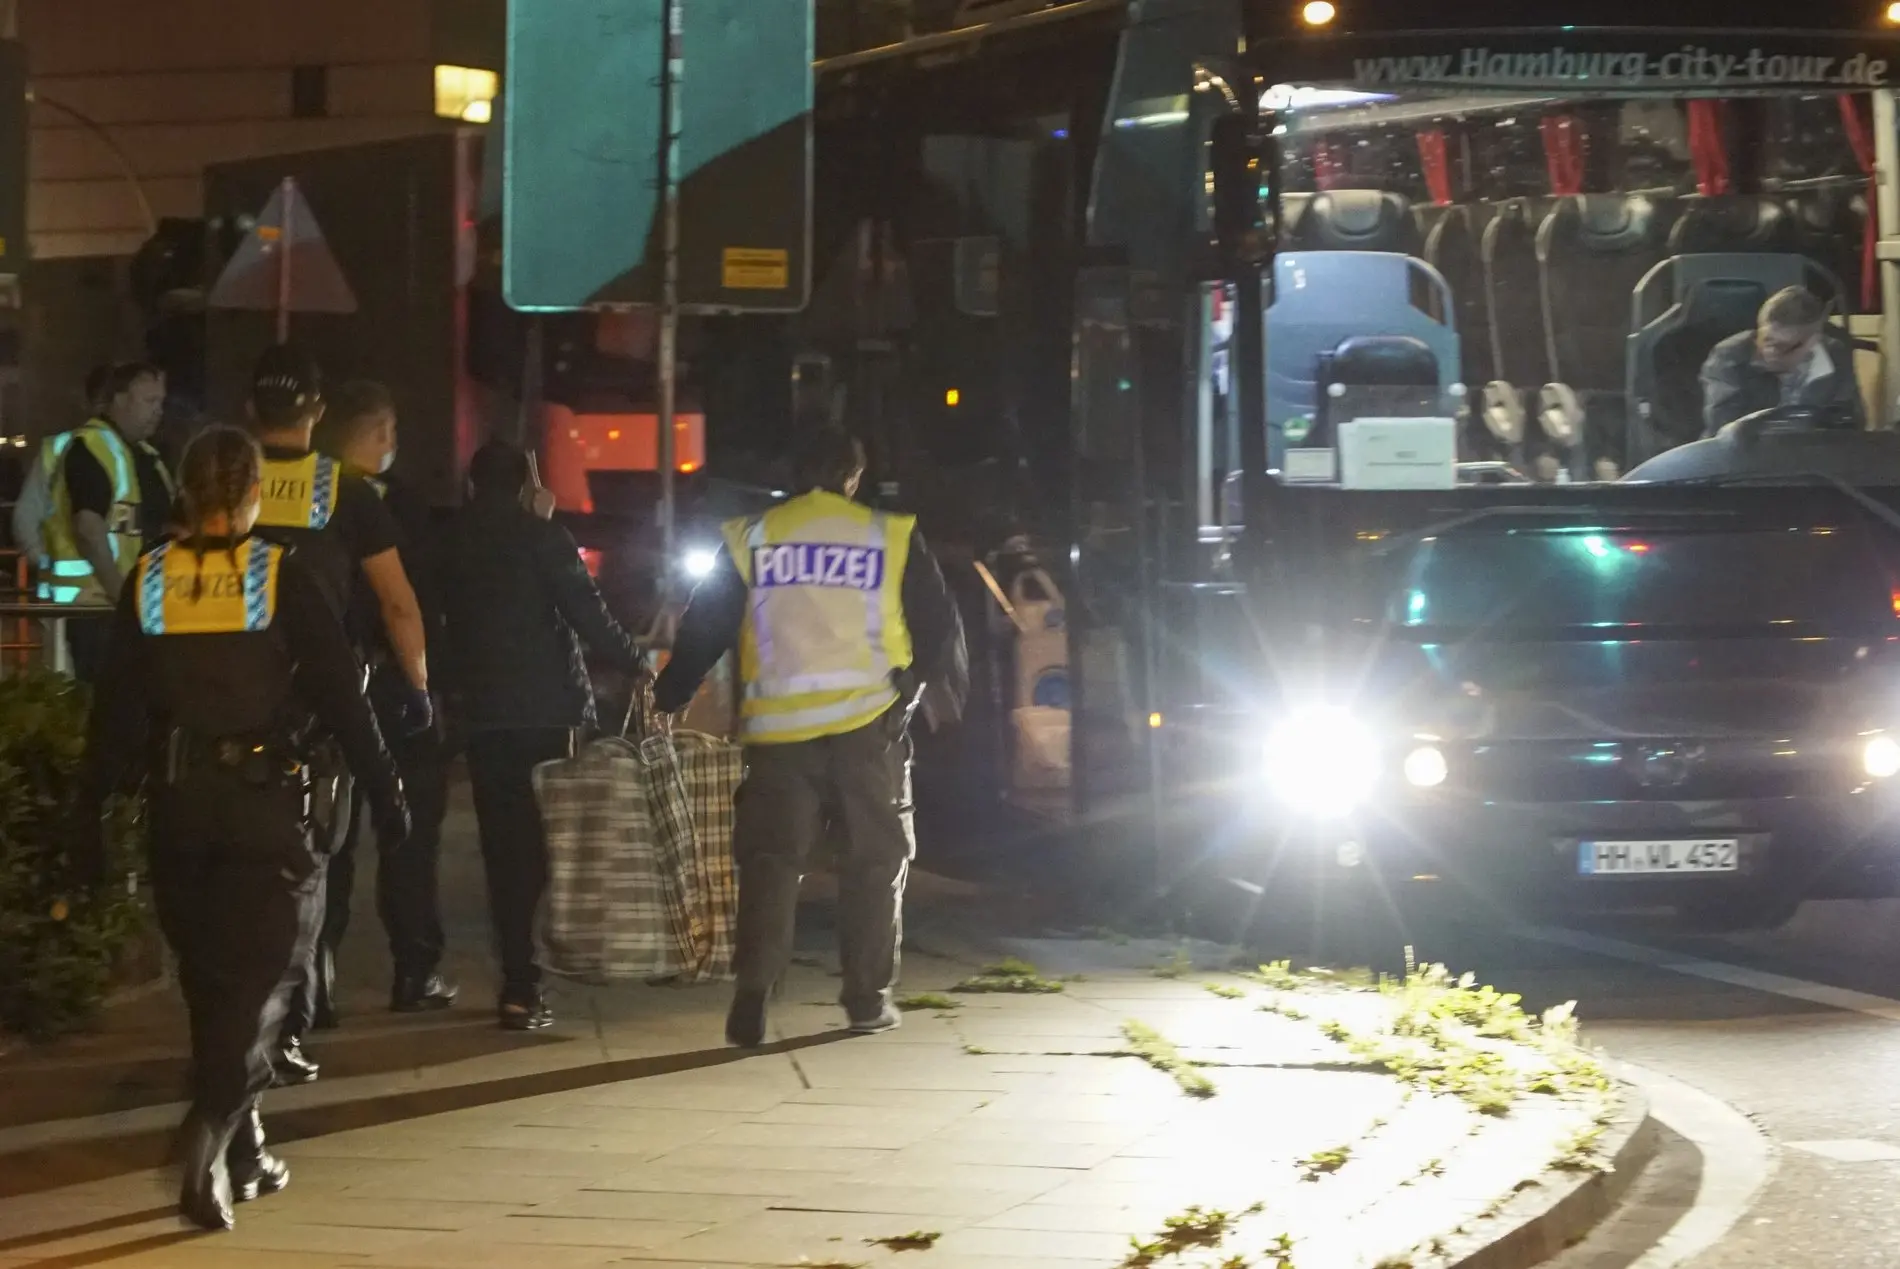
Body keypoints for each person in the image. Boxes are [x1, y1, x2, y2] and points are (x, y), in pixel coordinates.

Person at [75, 425, 408, 1231]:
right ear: (254, 493)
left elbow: (115, 709)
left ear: (186, 495)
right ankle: (210, 1128)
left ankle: (244, 1143)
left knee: (208, 979)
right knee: (266, 983)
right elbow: (341, 696)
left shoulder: (149, 579)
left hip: (179, 811)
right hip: (263, 811)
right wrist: (387, 791)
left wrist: (86, 815)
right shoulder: (278, 576)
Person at [652, 428, 967, 1048]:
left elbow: (706, 622)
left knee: (771, 863)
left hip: (780, 733)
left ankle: (753, 995)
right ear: (854, 476)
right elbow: (939, 626)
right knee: (874, 862)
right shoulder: (890, 534)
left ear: (792, 474)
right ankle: (867, 1000)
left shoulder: (752, 536)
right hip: (867, 729)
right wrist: (920, 693)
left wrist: (672, 693)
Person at [244, 346, 431, 1078]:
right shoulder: (343, 491)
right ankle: (296, 1010)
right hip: (317, 706)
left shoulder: (224, 476)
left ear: (250, 412)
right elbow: (397, 601)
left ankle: (240, 1023)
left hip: (219, 698)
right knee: (315, 863)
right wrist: (416, 687)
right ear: (317, 414)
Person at [439, 441, 641, 1031]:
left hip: (483, 712)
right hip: (546, 714)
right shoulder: (543, 538)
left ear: (473, 485)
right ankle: (532, 976)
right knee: (541, 844)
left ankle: (517, 980)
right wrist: (634, 661)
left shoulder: (453, 539)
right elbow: (586, 610)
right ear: (527, 485)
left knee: (501, 843)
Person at [307, 380, 457, 1015]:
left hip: (332, 686)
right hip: (393, 687)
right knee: (406, 839)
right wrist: (426, 686)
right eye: (380, 431)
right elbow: (410, 600)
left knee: (331, 840)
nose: (391, 444)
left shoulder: (310, 501)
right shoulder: (382, 504)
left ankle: (319, 986)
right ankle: (411, 974)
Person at [41, 361, 175, 681]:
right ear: (119, 399)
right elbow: (89, 530)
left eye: (161, 402)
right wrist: (123, 598)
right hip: (97, 608)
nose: (158, 411)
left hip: (131, 608)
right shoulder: (92, 447)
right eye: (149, 401)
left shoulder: (147, 457)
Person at [1701, 286, 1867, 438]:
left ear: (1812, 342)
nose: (1770, 352)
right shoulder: (1730, 356)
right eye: (1766, 340)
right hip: (1742, 460)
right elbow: (1723, 428)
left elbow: (1851, 425)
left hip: (1813, 457)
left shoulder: (1835, 356)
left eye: (1782, 346)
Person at [15, 364, 110, 577]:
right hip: (75, 599)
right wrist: (46, 562)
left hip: (100, 595)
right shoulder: (59, 449)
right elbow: (26, 517)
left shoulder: (141, 454)